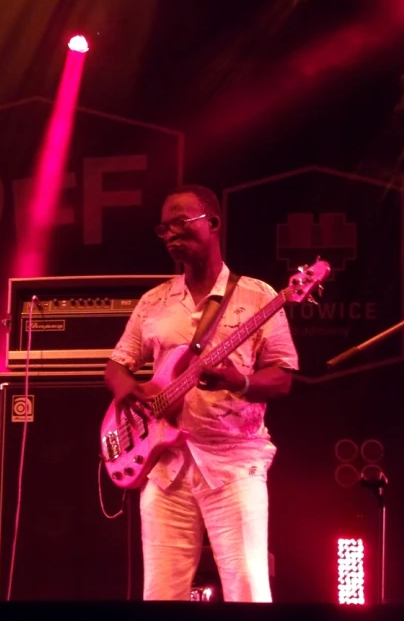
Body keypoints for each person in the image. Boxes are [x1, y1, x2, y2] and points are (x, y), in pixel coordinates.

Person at [103, 184, 298, 602]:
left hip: (234, 463)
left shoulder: (259, 297)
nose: (171, 234)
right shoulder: (154, 301)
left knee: (248, 591)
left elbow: (282, 378)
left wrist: (238, 381)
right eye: (164, 228)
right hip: (165, 465)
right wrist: (127, 390)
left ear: (213, 223)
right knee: (160, 595)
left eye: (181, 223)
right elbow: (117, 364)